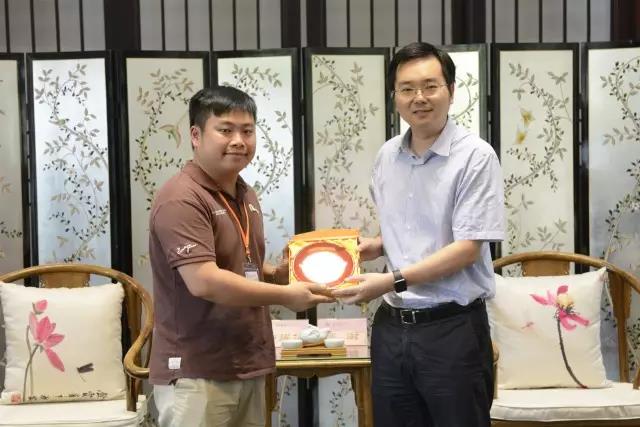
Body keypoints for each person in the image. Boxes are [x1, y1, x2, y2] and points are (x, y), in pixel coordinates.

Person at [333, 42, 505, 426]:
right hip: (391, 330)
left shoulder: (475, 157)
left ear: (452, 91)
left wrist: (390, 280)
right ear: (394, 96)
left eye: (430, 86)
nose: (419, 98)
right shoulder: (387, 156)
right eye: (407, 88)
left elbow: (466, 249)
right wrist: (375, 246)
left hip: (452, 330)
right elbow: (410, 230)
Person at [148, 86, 332, 427]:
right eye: (225, 130)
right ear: (196, 135)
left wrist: (278, 274)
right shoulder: (181, 197)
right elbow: (204, 280)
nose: (238, 141)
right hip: (196, 371)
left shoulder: (245, 193)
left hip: (247, 363)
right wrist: (284, 295)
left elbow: (239, 265)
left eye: (247, 131)